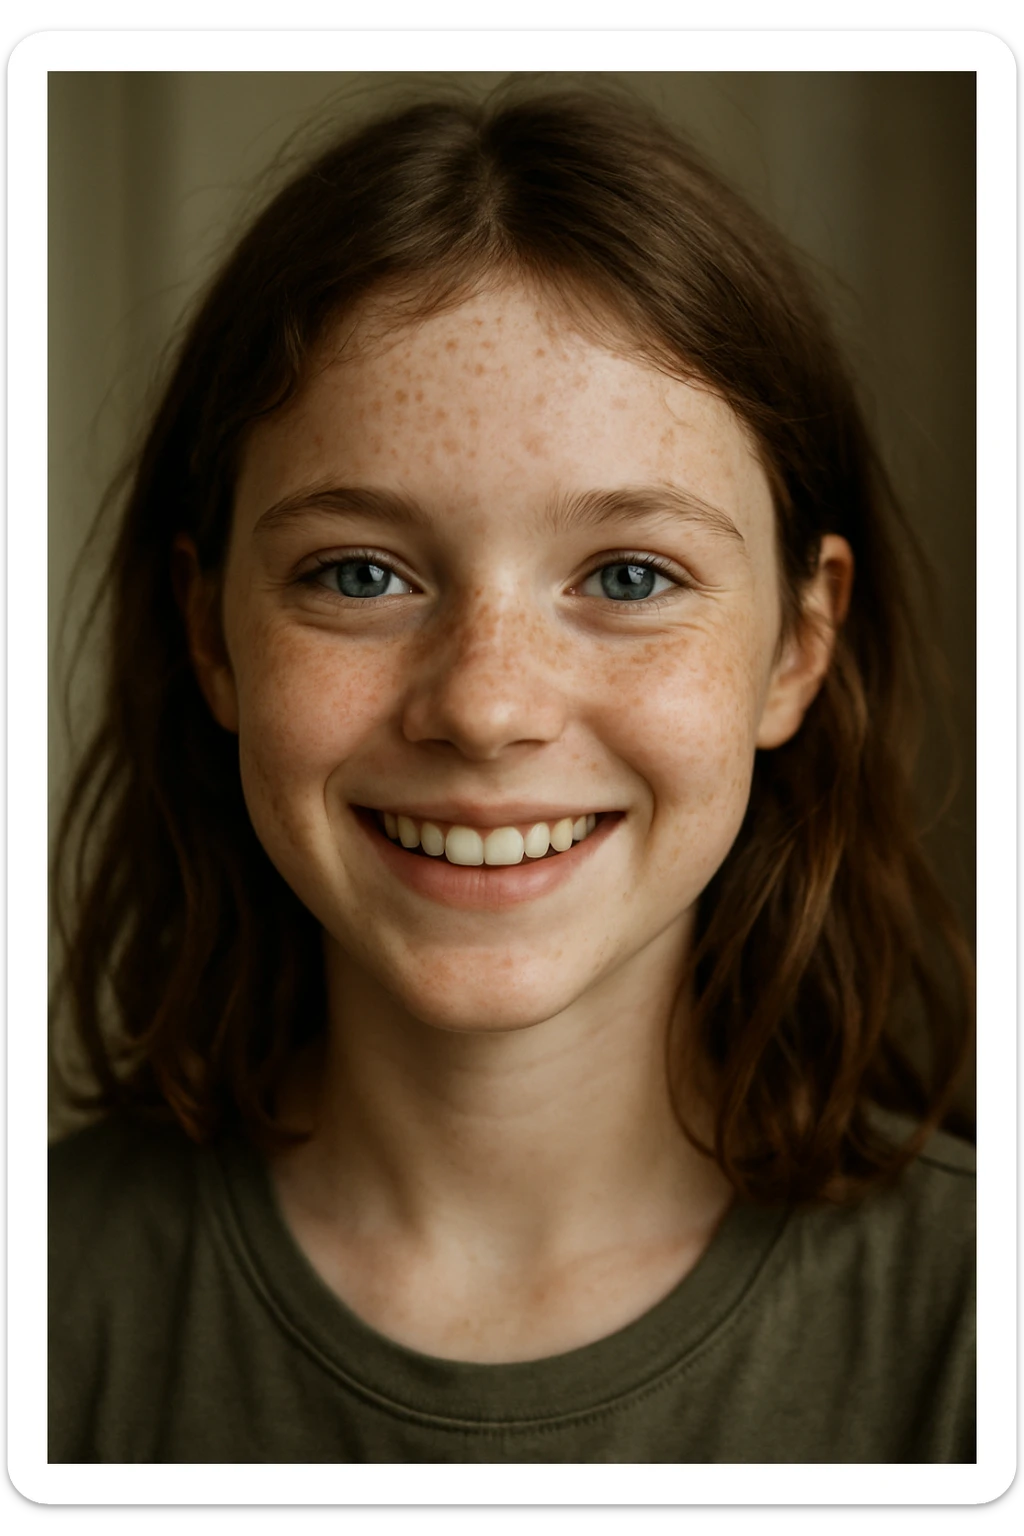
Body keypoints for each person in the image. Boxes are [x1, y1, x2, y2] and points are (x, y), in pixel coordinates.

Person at [48, 84, 975, 1464]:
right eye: (358, 573)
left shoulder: (975, 1323)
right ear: (210, 634)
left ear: (799, 644)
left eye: (629, 575)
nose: (485, 706)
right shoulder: (46, 1298)